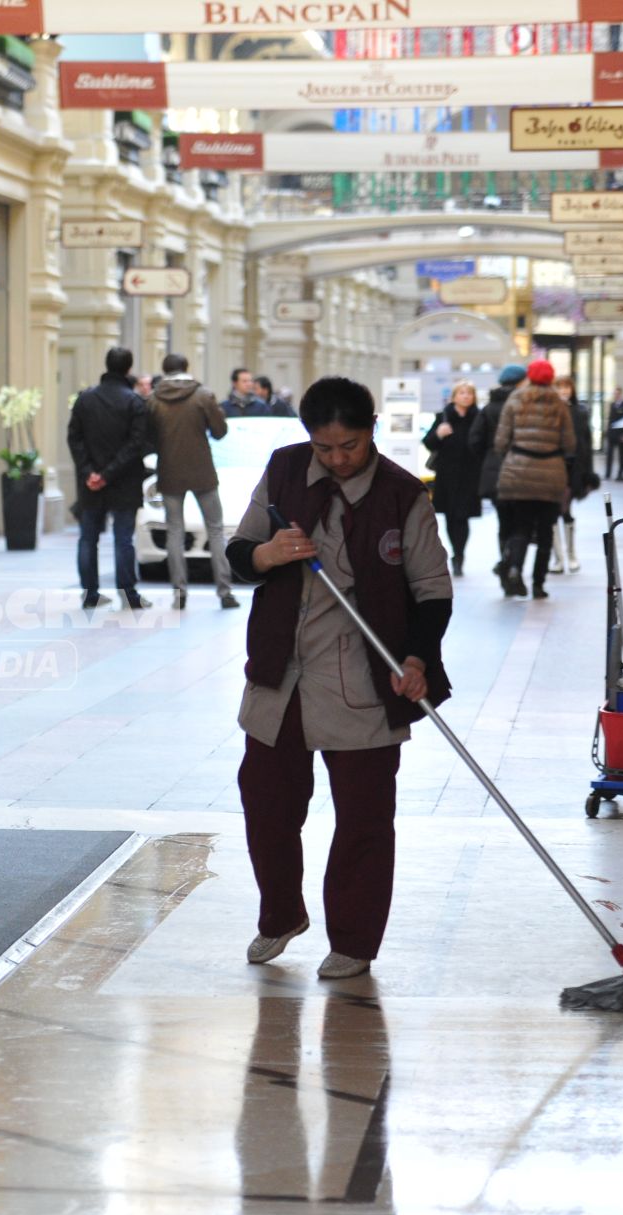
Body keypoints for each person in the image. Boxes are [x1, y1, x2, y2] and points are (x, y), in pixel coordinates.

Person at [225, 376, 453, 980]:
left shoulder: (404, 496)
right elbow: (239, 552)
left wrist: (418, 659)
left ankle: (353, 938)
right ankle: (280, 915)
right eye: (324, 448)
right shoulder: (283, 471)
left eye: (348, 446)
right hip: (282, 673)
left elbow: (432, 593)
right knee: (266, 802)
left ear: (372, 429)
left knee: (364, 816)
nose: (336, 459)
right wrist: (268, 554)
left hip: (362, 675)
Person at [148, 352, 238, 609]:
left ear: (165, 370)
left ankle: (179, 593)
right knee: (216, 529)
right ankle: (225, 592)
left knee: (174, 531)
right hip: (202, 471)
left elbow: (148, 436)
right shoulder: (203, 395)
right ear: (187, 367)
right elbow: (220, 432)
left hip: (169, 471)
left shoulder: (154, 399)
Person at [67, 346, 155, 611]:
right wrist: (108, 474)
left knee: (88, 537)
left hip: (90, 483)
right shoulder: (134, 402)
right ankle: (128, 594)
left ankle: (90, 593)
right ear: (129, 369)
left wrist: (89, 473)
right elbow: (136, 444)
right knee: (123, 539)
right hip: (124, 481)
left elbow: (74, 438)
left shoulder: (85, 399)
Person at [493, 359, 576, 601]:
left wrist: (512, 455)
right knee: (545, 533)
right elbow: (570, 443)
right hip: (551, 475)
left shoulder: (515, 399)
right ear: (550, 378)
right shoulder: (559, 405)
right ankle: (539, 585)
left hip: (518, 473)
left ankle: (515, 568)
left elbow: (500, 441)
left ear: (529, 376)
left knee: (520, 527)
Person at [469, 363, 526, 581]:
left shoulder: (488, 408)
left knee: (503, 522)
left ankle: (505, 561)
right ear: (520, 382)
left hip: (493, 472)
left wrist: (488, 459)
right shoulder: (523, 405)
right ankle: (512, 565)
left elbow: (474, 440)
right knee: (521, 521)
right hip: (521, 470)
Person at [421, 380, 483, 576]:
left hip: (470, 475)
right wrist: (439, 434)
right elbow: (429, 443)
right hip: (447, 475)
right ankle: (456, 554)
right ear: (454, 396)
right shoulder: (443, 417)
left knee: (462, 517)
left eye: (469, 393)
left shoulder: (479, 418)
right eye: (462, 393)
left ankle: (459, 555)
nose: (466, 396)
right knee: (449, 516)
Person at [550, 375, 597, 574]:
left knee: (566, 511)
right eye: (560, 387)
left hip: (573, 469)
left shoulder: (580, 412)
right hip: (553, 468)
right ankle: (559, 558)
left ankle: (570, 555)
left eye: (567, 387)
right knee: (553, 513)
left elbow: (586, 444)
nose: (564, 391)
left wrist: (588, 473)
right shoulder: (549, 412)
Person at [605, 386, 623, 481]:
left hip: (621, 434)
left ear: (621, 394)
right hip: (612, 434)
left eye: (617, 394)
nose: (616, 395)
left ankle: (621, 473)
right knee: (609, 454)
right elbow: (610, 420)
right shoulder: (612, 404)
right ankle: (608, 474)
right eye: (615, 394)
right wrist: (607, 433)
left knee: (622, 455)